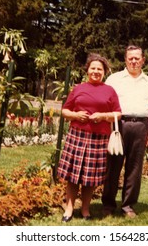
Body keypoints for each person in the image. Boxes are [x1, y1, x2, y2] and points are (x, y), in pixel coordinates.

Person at [57, 53, 121, 222]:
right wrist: (76, 115)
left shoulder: (110, 91)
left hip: (98, 139)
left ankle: (85, 209)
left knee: (89, 178)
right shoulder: (78, 88)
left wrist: (102, 115)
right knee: (72, 176)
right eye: (93, 68)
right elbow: (64, 111)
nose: (95, 71)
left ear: (104, 72)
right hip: (77, 136)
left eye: (99, 69)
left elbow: (118, 114)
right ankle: (69, 209)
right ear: (87, 70)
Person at [102, 45, 148, 218]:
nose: (134, 61)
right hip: (118, 126)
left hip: (141, 127)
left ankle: (128, 205)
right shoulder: (114, 79)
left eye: (137, 58)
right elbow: (104, 103)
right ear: (125, 59)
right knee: (113, 166)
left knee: (134, 168)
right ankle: (108, 204)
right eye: (130, 58)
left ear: (143, 60)